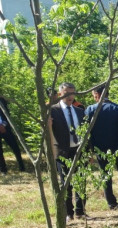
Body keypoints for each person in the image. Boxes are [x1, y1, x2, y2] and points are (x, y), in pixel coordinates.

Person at [85, 85, 118, 210]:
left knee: (105, 175)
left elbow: (85, 129)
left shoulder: (91, 110)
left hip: (100, 148)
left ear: (97, 94)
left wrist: (91, 145)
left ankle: (111, 203)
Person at [49, 82, 86, 220]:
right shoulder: (53, 110)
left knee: (81, 180)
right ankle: (69, 213)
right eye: (67, 94)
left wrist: (88, 152)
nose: (70, 97)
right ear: (60, 94)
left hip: (78, 150)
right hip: (63, 152)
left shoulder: (80, 111)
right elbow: (47, 132)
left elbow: (86, 132)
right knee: (66, 183)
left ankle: (81, 211)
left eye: (72, 93)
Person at [0, 96, 27, 174]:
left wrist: (3, 125)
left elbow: (7, 114)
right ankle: (3, 170)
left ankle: (22, 167)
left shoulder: (2, 100)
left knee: (15, 147)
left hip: (5, 128)